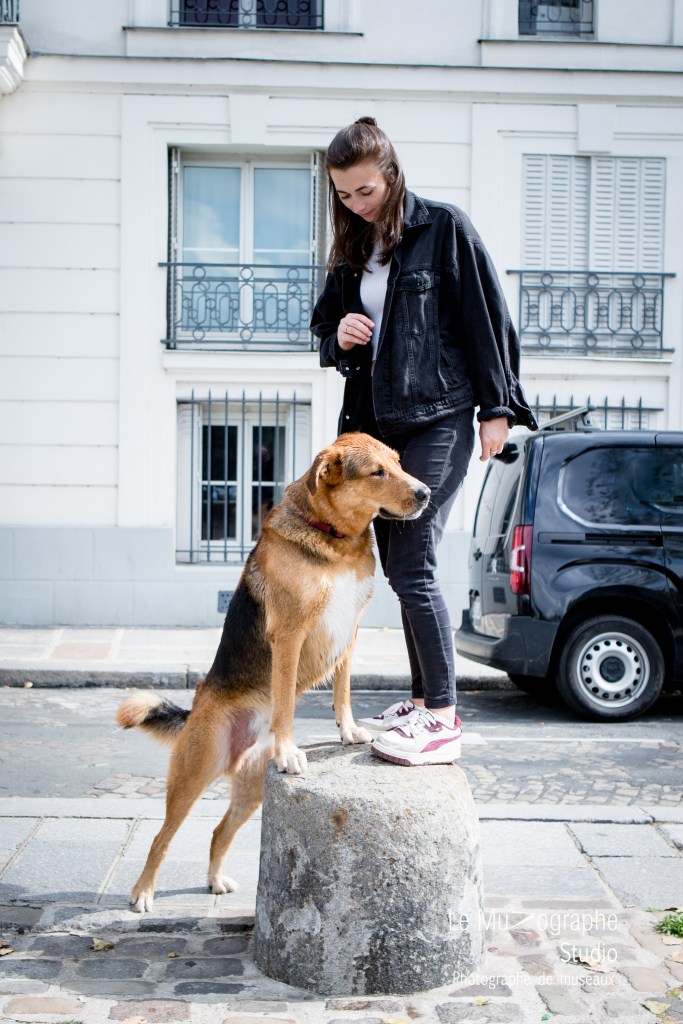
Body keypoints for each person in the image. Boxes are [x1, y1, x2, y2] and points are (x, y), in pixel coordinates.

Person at [310, 117, 537, 767]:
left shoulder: (443, 228)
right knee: (399, 563)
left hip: (438, 414)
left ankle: (441, 715)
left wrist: (496, 409)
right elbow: (325, 327)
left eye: (364, 190)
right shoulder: (354, 248)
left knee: (413, 562)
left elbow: (485, 317)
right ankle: (420, 699)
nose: (355, 203)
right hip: (374, 429)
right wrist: (341, 334)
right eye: (343, 194)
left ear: (390, 174)